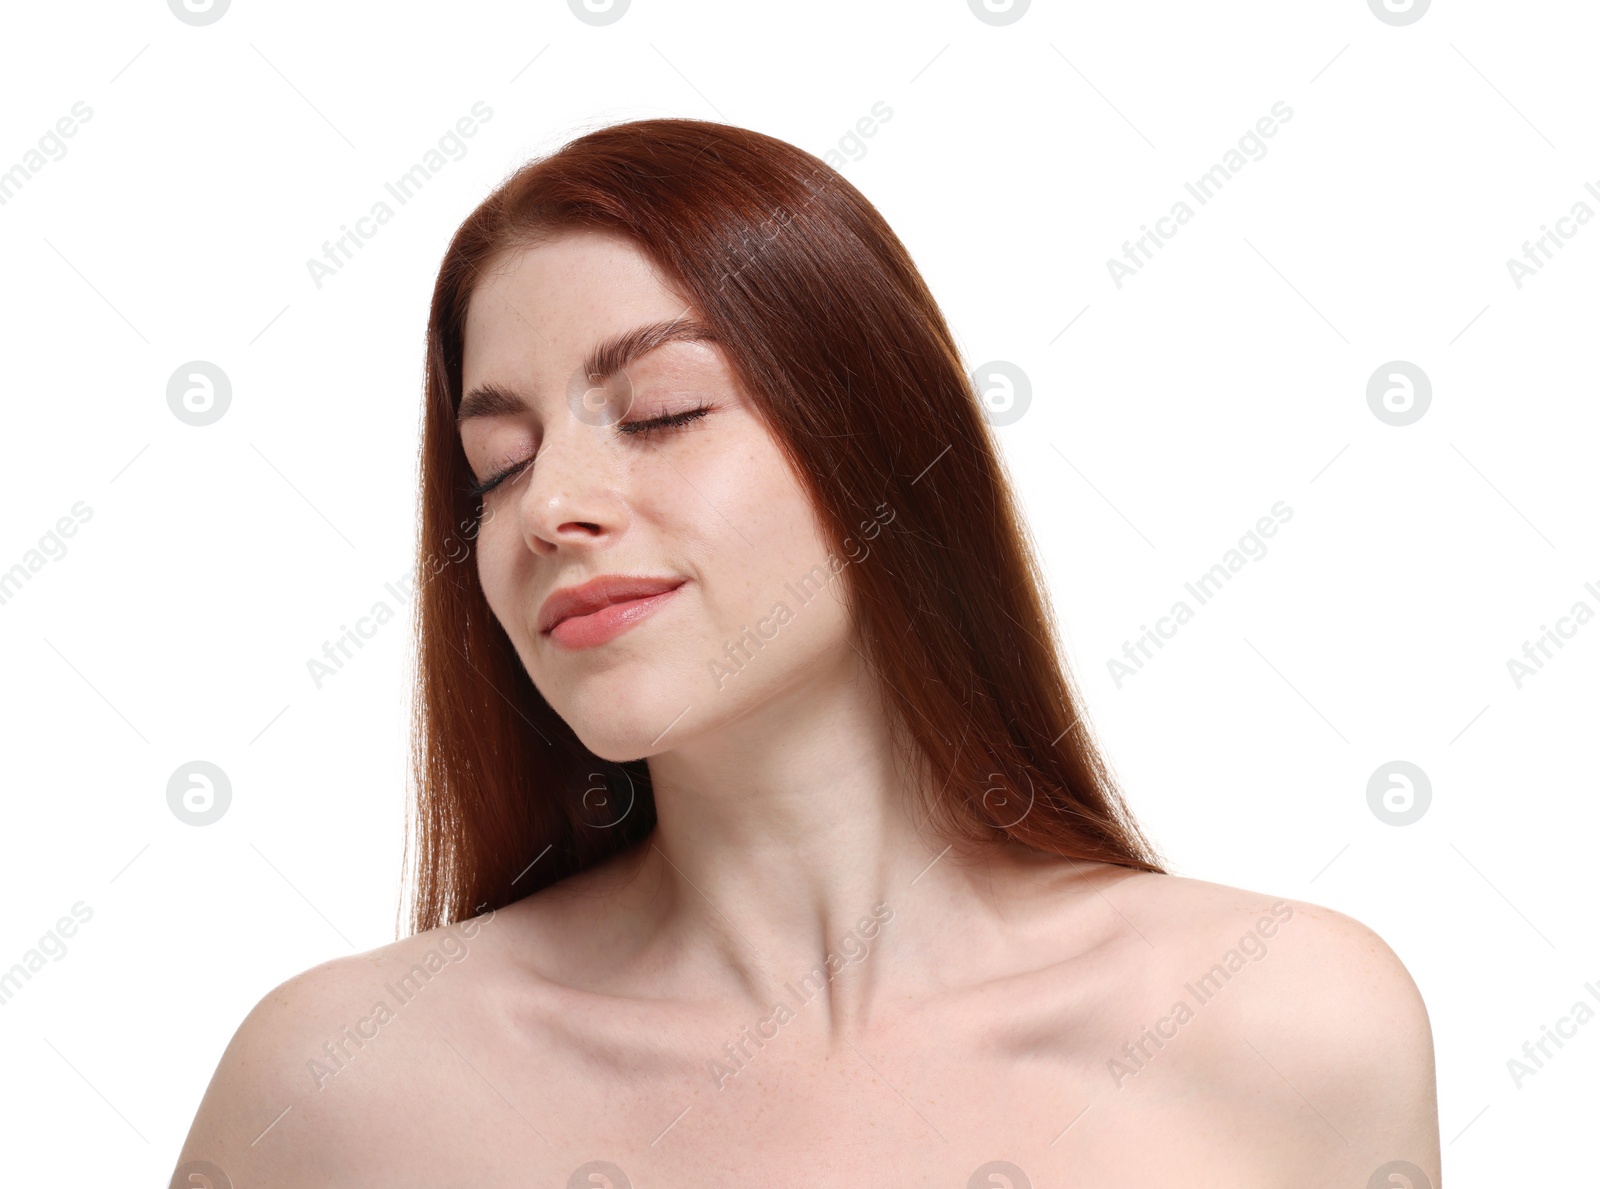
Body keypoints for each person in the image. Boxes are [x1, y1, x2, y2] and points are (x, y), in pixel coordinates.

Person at [173, 118, 1439, 1187]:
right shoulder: (336, 1088)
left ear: (880, 440)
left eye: (662, 412)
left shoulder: (1288, 1026)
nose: (550, 504)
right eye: (495, 467)